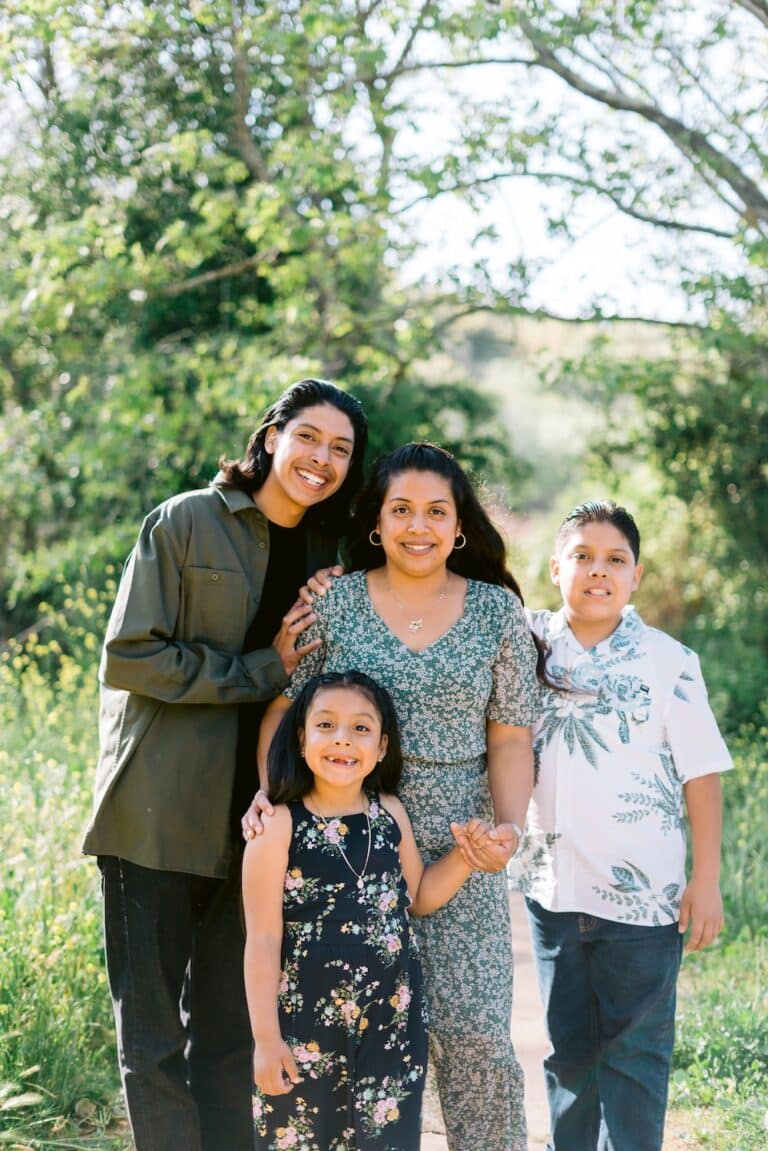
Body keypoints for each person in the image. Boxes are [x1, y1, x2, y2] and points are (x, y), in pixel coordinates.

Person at [81, 378, 368, 1151]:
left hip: (260, 828)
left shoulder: (325, 559)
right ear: (271, 435)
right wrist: (257, 668)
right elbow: (129, 655)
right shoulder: (185, 521)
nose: (322, 458)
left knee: (230, 1038)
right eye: (309, 436)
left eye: (341, 448)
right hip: (157, 817)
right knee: (151, 1044)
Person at [245, 441, 542, 1151]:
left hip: (461, 844)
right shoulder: (337, 601)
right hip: (346, 844)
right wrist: (269, 795)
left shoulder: (497, 612)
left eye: (437, 511)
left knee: (474, 1032)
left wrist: (506, 828)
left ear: (460, 523)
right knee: (342, 1036)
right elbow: (286, 710)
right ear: (376, 522)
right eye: (401, 509)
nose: (419, 525)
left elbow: (509, 737)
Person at [509, 499, 733, 1151]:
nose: (598, 571)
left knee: (635, 1062)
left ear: (636, 575)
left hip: (645, 900)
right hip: (552, 890)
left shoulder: (669, 661)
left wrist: (708, 878)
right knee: (569, 1057)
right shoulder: (526, 644)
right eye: (582, 556)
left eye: (616, 559)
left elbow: (703, 774)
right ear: (556, 567)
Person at [244, 669, 484, 1150]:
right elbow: (263, 939)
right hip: (305, 1025)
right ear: (301, 737)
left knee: (386, 1140)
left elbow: (420, 895)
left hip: (390, 1020)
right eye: (326, 724)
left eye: (360, 728)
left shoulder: (389, 813)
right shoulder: (278, 826)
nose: (342, 740)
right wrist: (266, 1040)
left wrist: (466, 856)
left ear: (381, 746)